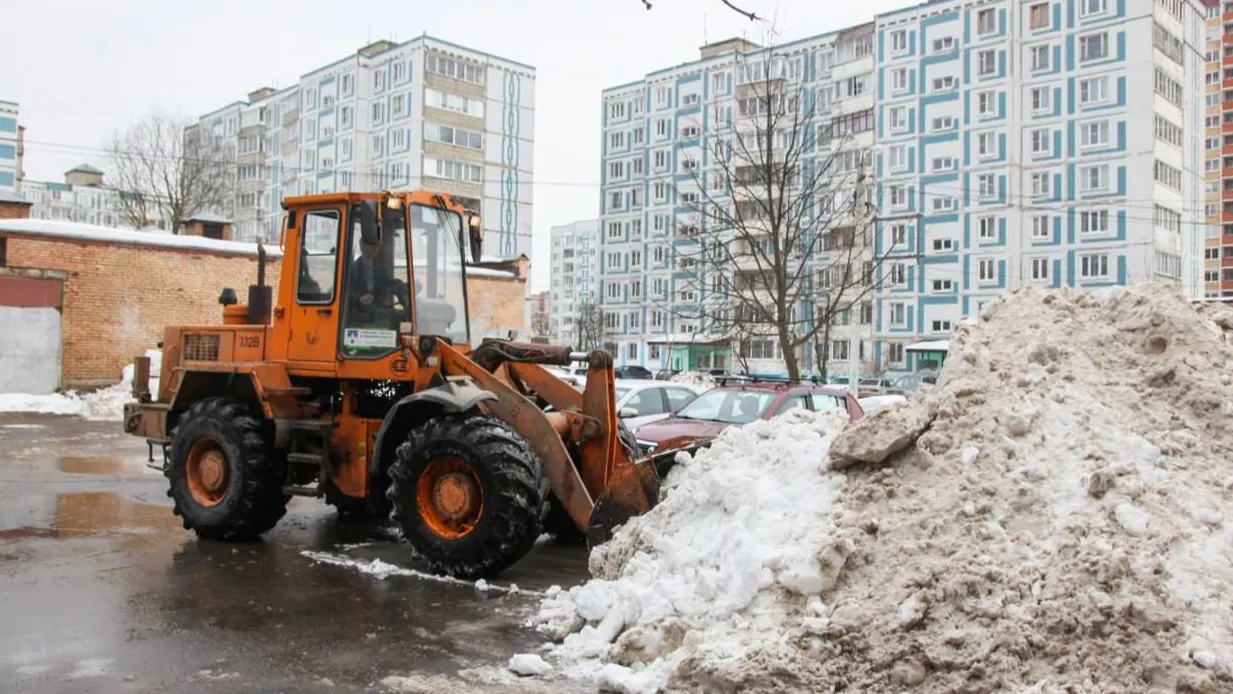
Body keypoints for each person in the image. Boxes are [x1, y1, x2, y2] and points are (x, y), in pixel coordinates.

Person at [348, 237, 396, 310]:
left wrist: (401, 286)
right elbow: (345, 294)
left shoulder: (381, 269)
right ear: (362, 246)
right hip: (357, 315)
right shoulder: (352, 270)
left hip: (377, 313)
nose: (376, 248)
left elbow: (388, 284)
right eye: (372, 245)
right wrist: (359, 299)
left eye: (377, 245)